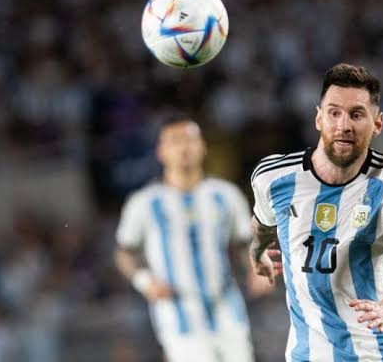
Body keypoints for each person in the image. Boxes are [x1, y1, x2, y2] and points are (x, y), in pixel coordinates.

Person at [249, 63, 383, 361]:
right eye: (334, 112)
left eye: (357, 114)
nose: (344, 125)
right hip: (312, 353)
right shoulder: (273, 178)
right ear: (318, 118)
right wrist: (257, 256)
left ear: (378, 123)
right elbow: (262, 226)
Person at [115, 113, 271, 362]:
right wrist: (144, 280)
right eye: (175, 141)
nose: (184, 147)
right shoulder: (144, 203)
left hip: (227, 307)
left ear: (203, 146)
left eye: (190, 139)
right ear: (161, 151)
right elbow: (125, 251)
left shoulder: (226, 195)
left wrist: (256, 266)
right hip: (178, 312)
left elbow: (244, 241)